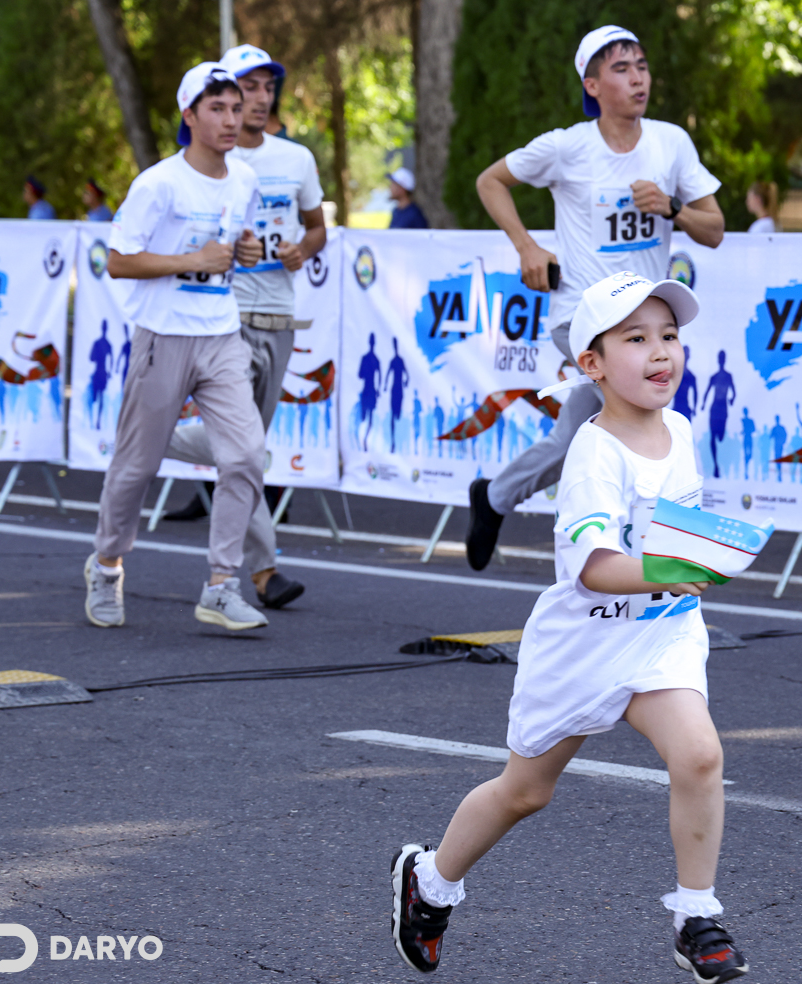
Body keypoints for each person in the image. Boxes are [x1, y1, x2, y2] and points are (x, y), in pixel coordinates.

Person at [389, 272, 751, 983]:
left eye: (670, 336)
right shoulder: (593, 454)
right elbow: (596, 568)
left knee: (700, 755)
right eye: (636, 338)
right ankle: (430, 883)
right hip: (583, 642)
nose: (661, 352)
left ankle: (696, 916)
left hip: (661, 632)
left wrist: (708, 557)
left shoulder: (678, 429)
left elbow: (677, 536)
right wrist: (672, 571)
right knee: (526, 792)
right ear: (591, 364)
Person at [466, 24, 724, 570]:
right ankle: (640, 559)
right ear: (592, 84)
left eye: (642, 66)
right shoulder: (567, 146)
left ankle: (494, 498)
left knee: (580, 436)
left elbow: (715, 228)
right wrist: (526, 247)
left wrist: (672, 208)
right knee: (641, 421)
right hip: (581, 316)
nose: (638, 78)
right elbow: (490, 181)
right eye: (621, 69)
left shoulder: (670, 142)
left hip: (646, 322)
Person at [82, 62, 268, 632]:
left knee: (246, 455)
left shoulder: (244, 179)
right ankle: (107, 563)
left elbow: (233, 245)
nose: (231, 119)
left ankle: (220, 584)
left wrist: (246, 250)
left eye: (236, 108)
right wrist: (194, 260)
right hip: (163, 336)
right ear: (189, 117)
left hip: (220, 333)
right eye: (217, 109)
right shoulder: (160, 182)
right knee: (135, 466)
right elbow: (118, 260)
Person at [159, 44, 327, 611]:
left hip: (279, 317)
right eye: (245, 89)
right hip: (223, 318)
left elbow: (316, 227)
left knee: (244, 449)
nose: (257, 99)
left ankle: (148, 438)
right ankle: (263, 570)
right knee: (246, 449)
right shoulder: (207, 167)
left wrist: (303, 248)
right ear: (219, 101)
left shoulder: (296, 159)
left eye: (265, 88)